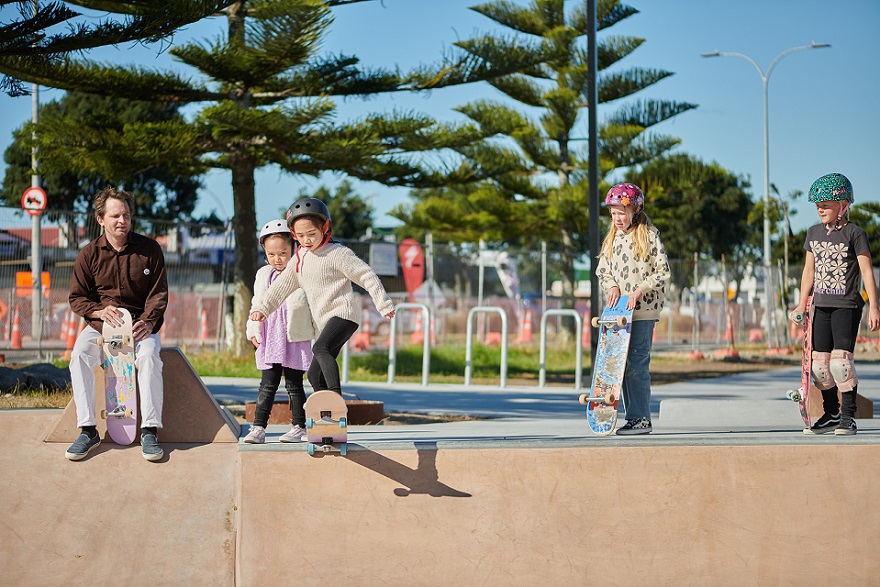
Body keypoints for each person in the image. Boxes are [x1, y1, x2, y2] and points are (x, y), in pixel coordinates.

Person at [249, 198, 395, 396]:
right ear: (294, 235)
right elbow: (280, 288)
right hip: (324, 322)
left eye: (311, 234)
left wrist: (383, 303)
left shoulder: (337, 253)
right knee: (314, 375)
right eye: (300, 236)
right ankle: (326, 414)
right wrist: (263, 308)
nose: (306, 240)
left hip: (343, 315)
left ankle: (335, 398)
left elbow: (366, 275)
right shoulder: (299, 259)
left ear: (325, 227)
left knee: (320, 348)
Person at [65, 186, 168, 461]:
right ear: (101, 219)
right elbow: (76, 298)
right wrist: (99, 312)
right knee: (80, 356)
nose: (122, 221)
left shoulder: (150, 250)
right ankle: (88, 430)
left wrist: (147, 321)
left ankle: (149, 430)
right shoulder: (88, 255)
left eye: (126, 215)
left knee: (148, 357)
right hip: (100, 327)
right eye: (114, 216)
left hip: (140, 326)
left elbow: (159, 294)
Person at [793, 173, 880, 436]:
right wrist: (800, 306)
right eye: (817, 205)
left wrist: (874, 306)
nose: (820, 209)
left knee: (840, 364)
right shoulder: (813, 233)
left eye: (826, 204)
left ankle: (848, 417)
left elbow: (867, 272)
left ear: (843, 205)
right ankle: (830, 414)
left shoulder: (856, 234)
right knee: (819, 366)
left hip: (847, 305)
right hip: (820, 306)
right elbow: (808, 272)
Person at [595, 183, 671, 435]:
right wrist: (611, 285)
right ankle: (631, 417)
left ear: (636, 210)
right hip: (618, 313)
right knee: (619, 366)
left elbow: (663, 271)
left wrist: (640, 290)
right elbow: (602, 268)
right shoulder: (613, 238)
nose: (617, 218)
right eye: (613, 213)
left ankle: (641, 419)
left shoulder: (649, 235)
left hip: (643, 312)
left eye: (621, 213)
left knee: (637, 364)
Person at [243, 220, 316, 444]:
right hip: (271, 336)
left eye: (283, 253)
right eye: (271, 254)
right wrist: (253, 328)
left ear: (294, 249)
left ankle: (299, 427)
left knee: (294, 384)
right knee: (268, 384)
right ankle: (258, 428)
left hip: (293, 336)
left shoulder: (301, 271)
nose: (277, 259)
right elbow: (257, 302)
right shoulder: (263, 274)